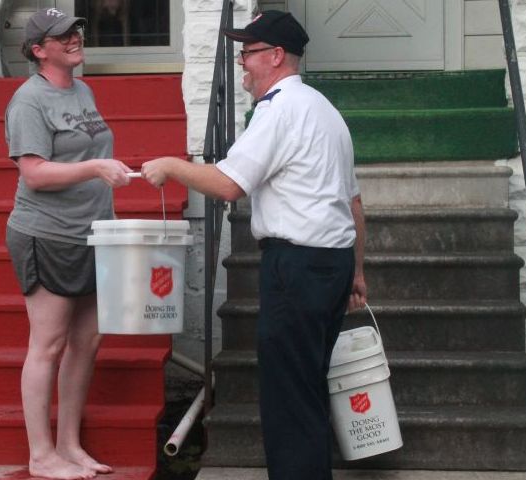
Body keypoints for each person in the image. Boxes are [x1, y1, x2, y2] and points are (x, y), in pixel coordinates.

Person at [141, 10, 367, 480]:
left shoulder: (279, 108)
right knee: (306, 389)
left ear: (277, 56)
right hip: (333, 263)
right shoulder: (326, 110)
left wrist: (171, 165)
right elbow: (353, 202)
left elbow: (228, 184)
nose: (241, 62)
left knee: (289, 398)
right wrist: (357, 272)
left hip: (298, 267)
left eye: (248, 52)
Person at [4, 8, 132, 480]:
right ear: (39, 50)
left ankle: (69, 445)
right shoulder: (28, 102)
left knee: (88, 341)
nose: (75, 38)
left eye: (76, 30)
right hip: (47, 234)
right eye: (63, 36)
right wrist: (97, 169)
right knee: (49, 344)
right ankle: (40, 456)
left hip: (93, 232)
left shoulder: (82, 89)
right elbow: (34, 174)